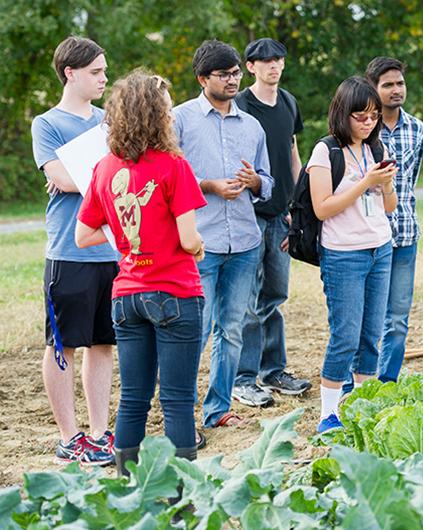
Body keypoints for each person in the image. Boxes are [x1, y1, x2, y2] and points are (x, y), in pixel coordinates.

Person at [75, 71, 207, 475]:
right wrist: (199, 247)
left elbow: (83, 235)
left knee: (133, 398)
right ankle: (181, 494)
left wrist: (126, 238)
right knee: (177, 400)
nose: (172, 114)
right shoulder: (174, 165)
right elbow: (188, 238)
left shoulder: (104, 168)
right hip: (175, 292)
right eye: (167, 108)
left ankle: (128, 489)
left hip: (127, 295)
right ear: (155, 116)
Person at [173, 40, 274, 429]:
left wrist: (255, 182)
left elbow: (268, 181)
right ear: (203, 79)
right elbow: (166, 180)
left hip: (245, 242)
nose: (233, 80)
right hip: (200, 244)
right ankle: (182, 412)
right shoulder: (180, 120)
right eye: (223, 75)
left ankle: (217, 410)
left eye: (235, 73)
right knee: (195, 331)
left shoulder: (252, 125)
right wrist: (208, 185)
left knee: (231, 330)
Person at [31, 36, 116, 466]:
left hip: (110, 251)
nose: (104, 79)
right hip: (69, 253)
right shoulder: (46, 124)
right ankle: (69, 437)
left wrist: (82, 175)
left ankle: (100, 433)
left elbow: (119, 175)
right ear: (70, 73)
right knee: (62, 346)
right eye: (96, 72)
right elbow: (62, 179)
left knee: (103, 344)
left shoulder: (109, 122)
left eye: (104, 71)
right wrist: (90, 175)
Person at [307, 76, 398, 433]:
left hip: (380, 248)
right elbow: (322, 208)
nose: (368, 123)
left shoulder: (376, 149)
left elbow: (389, 207)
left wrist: (385, 184)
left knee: (371, 335)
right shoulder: (325, 151)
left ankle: (362, 405)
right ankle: (328, 413)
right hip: (343, 254)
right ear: (343, 114)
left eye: (374, 116)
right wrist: (365, 183)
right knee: (345, 336)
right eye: (360, 116)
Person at [234, 37, 310, 408]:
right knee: (248, 299)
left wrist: (298, 205)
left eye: (278, 59)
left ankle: (273, 370)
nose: (273, 66)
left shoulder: (289, 102)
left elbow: (293, 154)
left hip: (281, 215)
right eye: (265, 61)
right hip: (247, 214)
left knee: (275, 294)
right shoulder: (239, 104)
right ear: (251, 66)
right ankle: (243, 378)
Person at [365, 56, 423, 383]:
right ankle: (356, 383)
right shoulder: (361, 128)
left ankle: (386, 382)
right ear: (373, 88)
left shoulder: (418, 129)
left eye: (400, 83)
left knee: (398, 319)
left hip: (404, 234)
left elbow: (410, 181)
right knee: (365, 317)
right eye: (387, 84)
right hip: (366, 238)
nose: (396, 90)